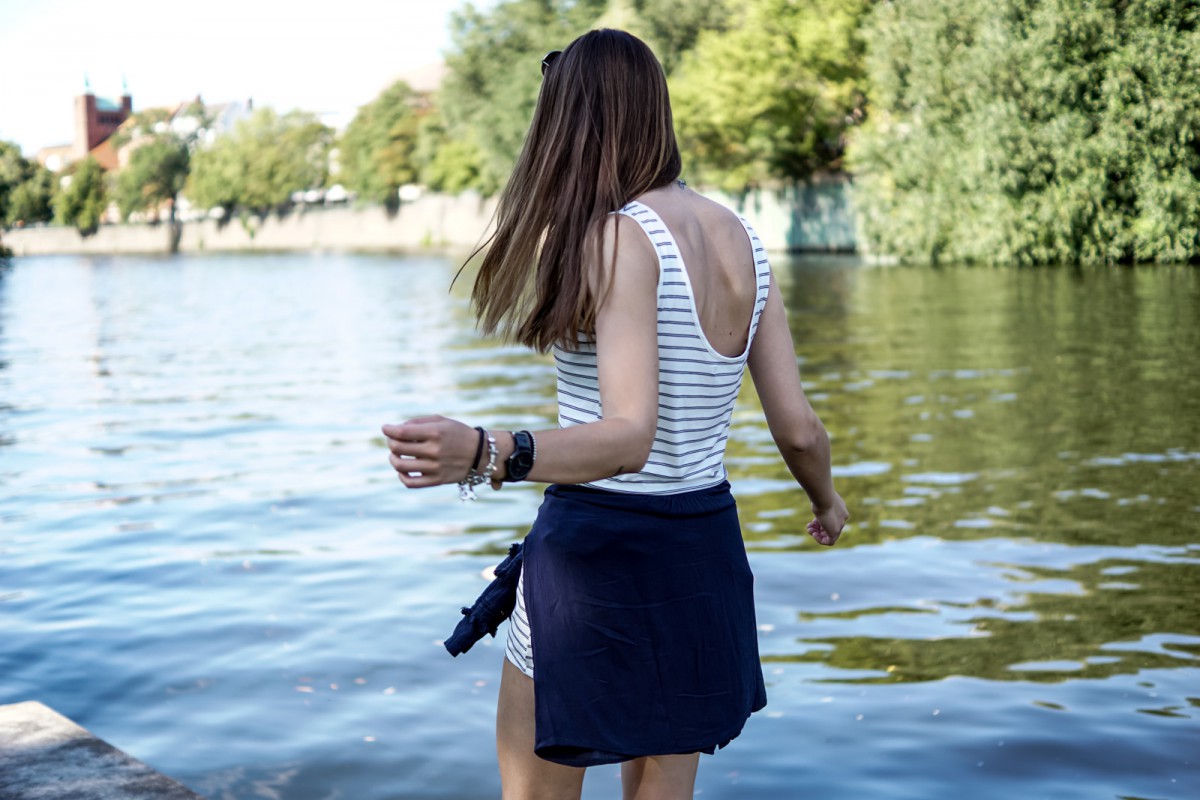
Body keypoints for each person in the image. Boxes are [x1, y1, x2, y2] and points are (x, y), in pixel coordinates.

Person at [382, 28, 848, 800]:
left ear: (578, 122)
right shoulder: (746, 243)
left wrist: (485, 452)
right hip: (699, 554)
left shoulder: (616, 236)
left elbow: (629, 437)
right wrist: (827, 501)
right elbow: (797, 426)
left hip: (597, 561)